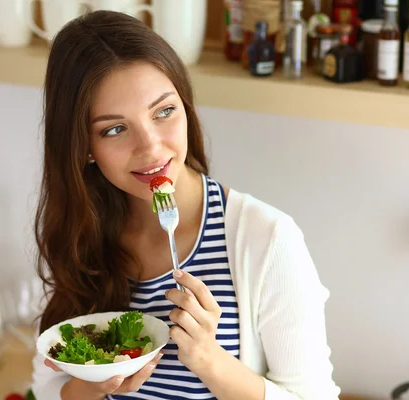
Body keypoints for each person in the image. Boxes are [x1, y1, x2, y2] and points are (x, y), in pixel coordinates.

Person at [31, 10, 341, 400]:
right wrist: (93, 387)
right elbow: (47, 388)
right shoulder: (81, 231)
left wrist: (211, 362)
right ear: (83, 147)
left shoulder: (268, 239)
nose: (151, 148)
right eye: (114, 129)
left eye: (164, 111)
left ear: (186, 105)